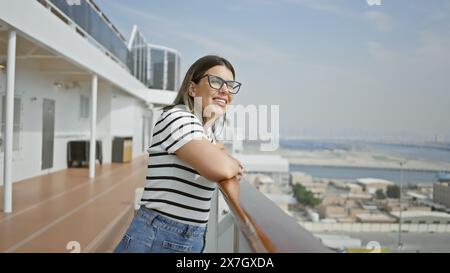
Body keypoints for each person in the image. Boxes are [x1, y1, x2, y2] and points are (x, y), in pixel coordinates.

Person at [114, 55, 244, 253]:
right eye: (216, 81)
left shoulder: (204, 131)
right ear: (192, 89)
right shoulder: (178, 117)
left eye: (230, 85)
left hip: (187, 236)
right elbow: (222, 167)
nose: (225, 90)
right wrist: (231, 163)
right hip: (158, 236)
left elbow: (222, 158)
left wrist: (225, 158)